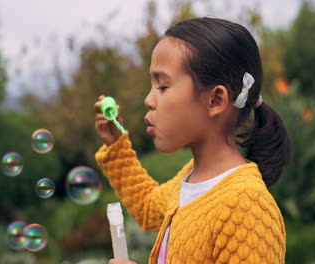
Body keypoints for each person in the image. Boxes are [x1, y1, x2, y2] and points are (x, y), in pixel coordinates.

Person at [94, 17, 292, 264]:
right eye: (152, 85)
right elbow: (147, 206)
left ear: (215, 101)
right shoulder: (189, 178)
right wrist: (117, 147)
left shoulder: (246, 206)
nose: (149, 100)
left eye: (163, 86)